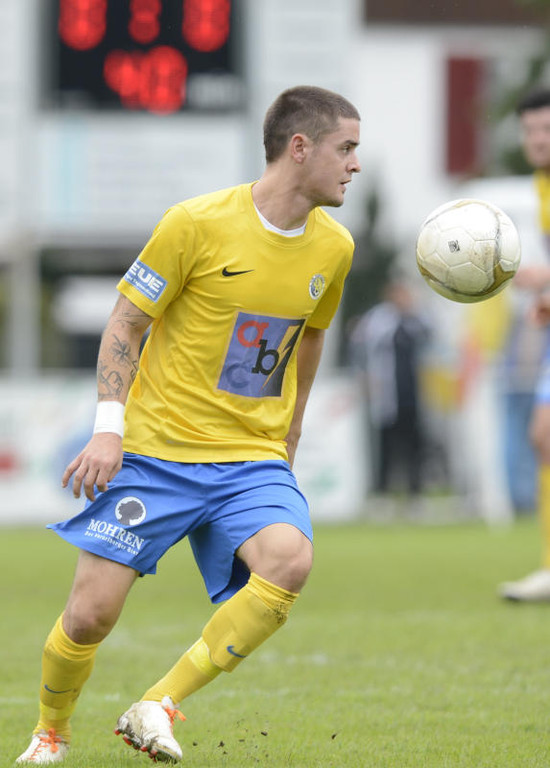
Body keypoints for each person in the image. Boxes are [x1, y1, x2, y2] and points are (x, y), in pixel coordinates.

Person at [16, 85, 361, 764]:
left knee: (290, 560)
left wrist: (288, 436)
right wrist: (108, 429)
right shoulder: (194, 224)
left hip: (250, 456)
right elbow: (126, 323)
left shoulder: (336, 248)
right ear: (300, 148)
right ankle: (50, 733)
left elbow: (311, 337)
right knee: (89, 615)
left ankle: (159, 704)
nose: (355, 164)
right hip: (156, 453)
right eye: (345, 148)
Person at [497, 89, 550, 601]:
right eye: (530, 130)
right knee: (544, 435)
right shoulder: (541, 184)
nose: (538, 139)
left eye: (547, 129)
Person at [349, 277, 431, 499]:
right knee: (386, 444)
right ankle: (382, 491)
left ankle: (415, 491)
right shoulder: (378, 319)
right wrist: (363, 376)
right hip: (386, 392)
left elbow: (430, 338)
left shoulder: (416, 318)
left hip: (413, 391)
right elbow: (359, 347)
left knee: (414, 442)